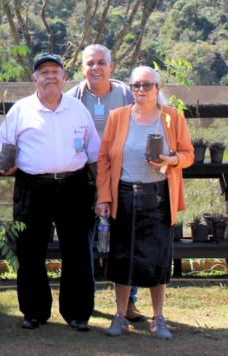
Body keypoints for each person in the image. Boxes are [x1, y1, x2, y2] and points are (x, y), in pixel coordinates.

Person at [0, 54, 100, 331]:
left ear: (64, 77)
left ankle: (77, 314)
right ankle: (34, 312)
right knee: (30, 252)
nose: (50, 76)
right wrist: (2, 163)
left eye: (55, 71)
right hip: (32, 187)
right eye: (44, 72)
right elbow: (2, 147)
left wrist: (102, 191)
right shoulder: (21, 109)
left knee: (77, 251)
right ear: (34, 78)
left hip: (74, 185)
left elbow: (94, 155)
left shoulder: (78, 109)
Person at [97, 66, 193, 340]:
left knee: (157, 258)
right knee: (122, 257)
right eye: (136, 85)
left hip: (160, 195)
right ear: (130, 88)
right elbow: (104, 160)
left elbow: (188, 154)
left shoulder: (172, 117)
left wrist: (171, 160)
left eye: (147, 85)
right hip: (124, 194)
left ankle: (158, 317)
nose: (141, 90)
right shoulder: (118, 116)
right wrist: (104, 197)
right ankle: (120, 315)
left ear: (158, 88)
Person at [65, 44, 145, 322]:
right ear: (82, 68)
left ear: (111, 66)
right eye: (90, 63)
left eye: (101, 63)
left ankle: (129, 302)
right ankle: (86, 300)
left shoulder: (128, 94)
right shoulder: (71, 98)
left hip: (124, 177)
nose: (95, 68)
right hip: (82, 181)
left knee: (126, 240)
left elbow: (156, 118)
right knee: (81, 242)